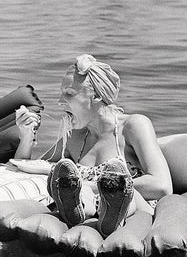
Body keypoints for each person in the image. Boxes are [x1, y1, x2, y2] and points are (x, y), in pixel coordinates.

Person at [11, 52, 172, 232]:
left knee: (118, 191)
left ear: (96, 96)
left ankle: (106, 206)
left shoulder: (132, 126)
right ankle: (77, 210)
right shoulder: (75, 136)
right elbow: (29, 168)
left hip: (135, 209)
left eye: (69, 94)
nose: (59, 102)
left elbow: (162, 186)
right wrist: (26, 135)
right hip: (92, 210)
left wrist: (93, 186)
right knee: (81, 192)